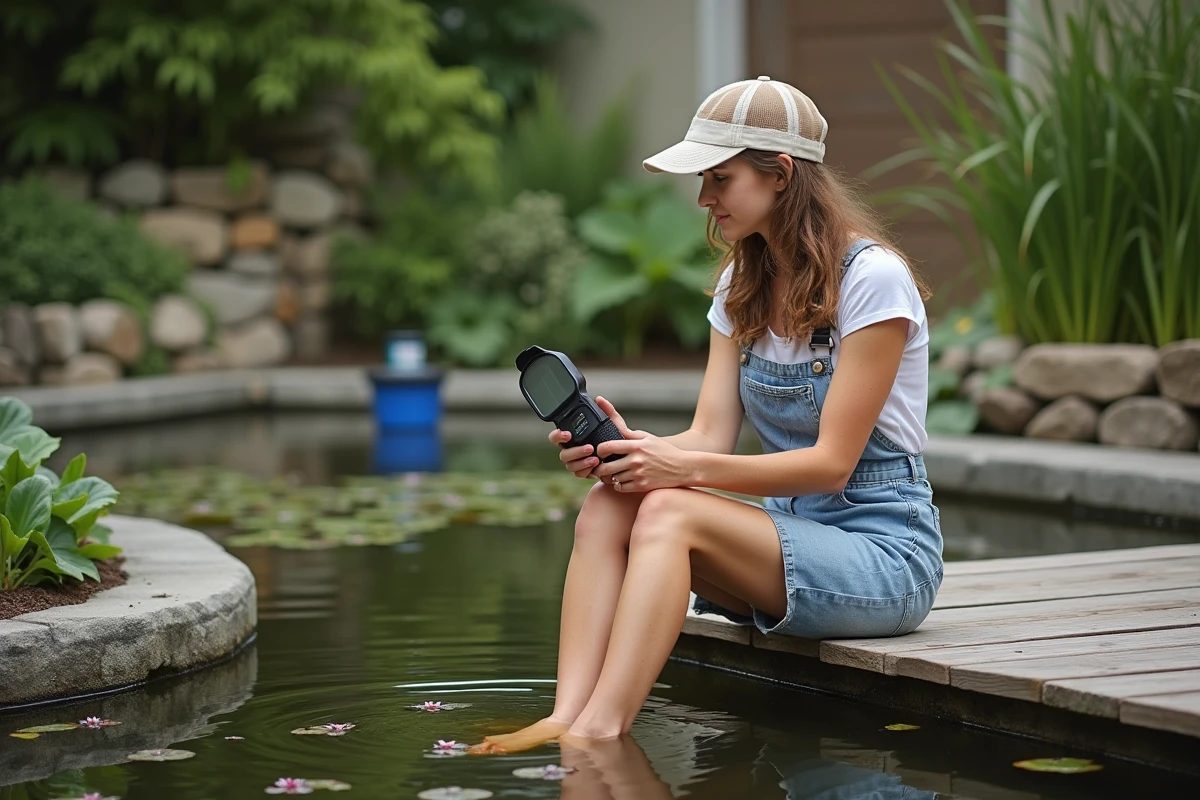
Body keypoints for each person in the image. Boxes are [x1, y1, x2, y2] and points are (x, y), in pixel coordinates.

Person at [471, 76, 942, 754]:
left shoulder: (873, 281)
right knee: (612, 503)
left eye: (719, 178)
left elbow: (833, 466)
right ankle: (566, 714)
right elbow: (707, 436)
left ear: (780, 174)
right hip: (788, 540)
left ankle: (601, 734)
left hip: (883, 554)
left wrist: (678, 469)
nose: (703, 199)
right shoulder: (740, 283)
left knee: (669, 509)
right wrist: (631, 452)